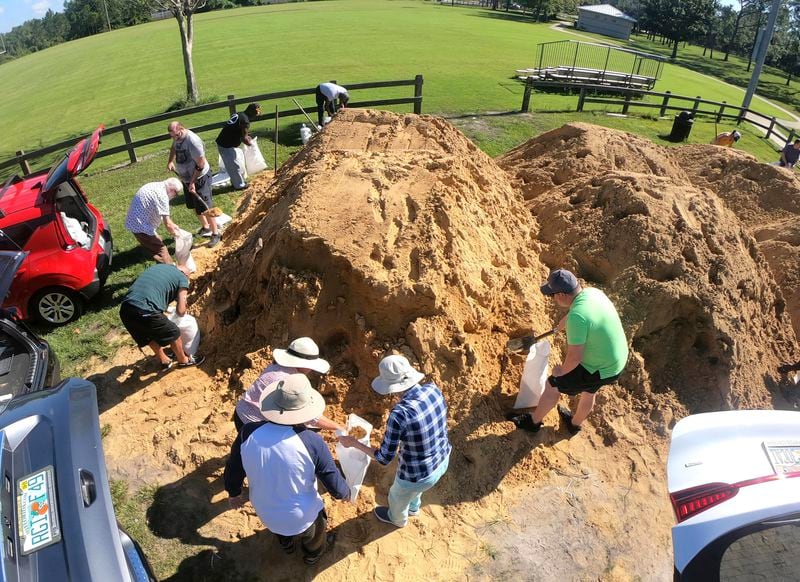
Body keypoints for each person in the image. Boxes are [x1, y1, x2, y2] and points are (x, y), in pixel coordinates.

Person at [235, 374, 350, 565]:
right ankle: (312, 554)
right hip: (301, 516)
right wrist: (345, 493)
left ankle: (286, 544)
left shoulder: (247, 432)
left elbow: (234, 468)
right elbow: (332, 480)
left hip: (264, 510)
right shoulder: (312, 441)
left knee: (282, 529)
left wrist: (233, 492)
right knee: (315, 531)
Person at [509, 269, 628, 436]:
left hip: (598, 367)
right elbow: (584, 314)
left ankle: (533, 422)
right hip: (617, 360)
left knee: (553, 385)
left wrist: (560, 374)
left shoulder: (577, 318)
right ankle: (574, 425)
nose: (553, 299)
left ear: (561, 295)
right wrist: (564, 322)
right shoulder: (592, 293)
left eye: (552, 295)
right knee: (590, 391)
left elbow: (574, 358)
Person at [223, 338, 344, 501]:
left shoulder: (280, 368)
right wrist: (339, 428)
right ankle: (238, 487)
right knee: (245, 456)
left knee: (244, 452)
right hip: (251, 419)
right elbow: (312, 419)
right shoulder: (286, 380)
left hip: (244, 412)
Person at [338, 355, 451, 528]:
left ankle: (397, 519)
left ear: (392, 387)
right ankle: (414, 508)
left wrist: (354, 443)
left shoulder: (400, 414)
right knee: (415, 492)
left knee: (397, 496)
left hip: (416, 475)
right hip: (442, 460)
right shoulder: (433, 390)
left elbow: (384, 458)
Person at [119, 263, 204, 370]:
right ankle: (184, 360)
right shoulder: (182, 278)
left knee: (147, 336)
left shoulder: (160, 267)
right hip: (146, 308)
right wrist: (181, 302)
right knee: (174, 332)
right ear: (186, 275)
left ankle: (164, 360)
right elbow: (181, 311)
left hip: (125, 309)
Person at [167, 121, 220, 248]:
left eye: (176, 136)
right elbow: (174, 147)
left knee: (206, 208)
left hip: (200, 177)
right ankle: (205, 227)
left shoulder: (193, 141)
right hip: (187, 179)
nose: (175, 139)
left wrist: (192, 182)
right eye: (172, 136)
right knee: (194, 206)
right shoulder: (177, 138)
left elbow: (200, 164)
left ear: (182, 128)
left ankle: (215, 234)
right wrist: (170, 161)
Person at [124, 178, 184, 264]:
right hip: (140, 226)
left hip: (135, 221)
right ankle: (171, 271)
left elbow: (166, 218)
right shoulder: (162, 196)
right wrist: (178, 235)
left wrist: (173, 225)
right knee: (162, 251)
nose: (175, 196)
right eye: (176, 194)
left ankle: (160, 263)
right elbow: (168, 224)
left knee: (157, 241)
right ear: (171, 190)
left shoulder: (155, 185)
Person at [215, 103, 260, 191]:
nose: (255, 116)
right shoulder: (245, 121)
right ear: (250, 111)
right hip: (226, 144)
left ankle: (236, 182)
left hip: (224, 142)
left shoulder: (240, 114)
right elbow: (244, 139)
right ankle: (239, 185)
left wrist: (247, 136)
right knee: (234, 166)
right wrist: (252, 145)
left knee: (235, 164)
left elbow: (238, 131)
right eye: (255, 114)